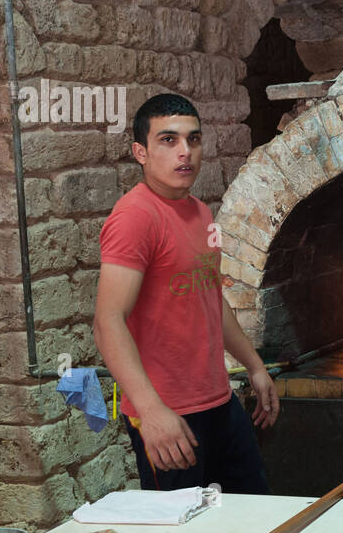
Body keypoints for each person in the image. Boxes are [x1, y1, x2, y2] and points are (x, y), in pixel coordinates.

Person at [93, 93, 279, 497]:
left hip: (219, 402)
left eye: (193, 140)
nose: (185, 153)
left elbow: (211, 299)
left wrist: (254, 365)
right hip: (168, 413)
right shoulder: (135, 218)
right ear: (140, 152)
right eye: (168, 140)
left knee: (253, 520)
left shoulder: (199, 212)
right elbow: (107, 323)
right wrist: (151, 410)